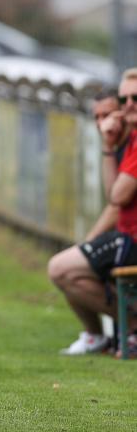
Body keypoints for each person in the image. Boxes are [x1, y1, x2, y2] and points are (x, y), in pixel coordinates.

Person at [48, 71, 137, 357]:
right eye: (96, 118)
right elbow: (115, 199)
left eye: (107, 114)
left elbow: (116, 199)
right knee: (69, 272)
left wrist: (88, 244)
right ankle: (99, 334)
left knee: (61, 268)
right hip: (126, 237)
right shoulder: (124, 143)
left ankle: (126, 329)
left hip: (131, 239)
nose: (102, 124)